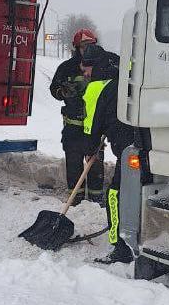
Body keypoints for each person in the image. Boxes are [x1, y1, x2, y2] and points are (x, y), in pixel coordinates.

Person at [49, 28, 118, 204]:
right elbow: (54, 89)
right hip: (73, 124)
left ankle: (95, 197)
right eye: (83, 47)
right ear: (76, 48)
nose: (86, 50)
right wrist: (63, 92)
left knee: (94, 161)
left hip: (95, 125)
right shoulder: (67, 68)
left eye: (90, 46)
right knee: (73, 161)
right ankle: (76, 198)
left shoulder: (106, 65)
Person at [80, 44, 135, 264]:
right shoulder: (125, 74)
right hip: (146, 144)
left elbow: (90, 127)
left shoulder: (96, 88)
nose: (85, 76)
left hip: (126, 148)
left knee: (115, 194)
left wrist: (89, 149)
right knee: (134, 193)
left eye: (85, 71)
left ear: (93, 67)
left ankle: (120, 248)